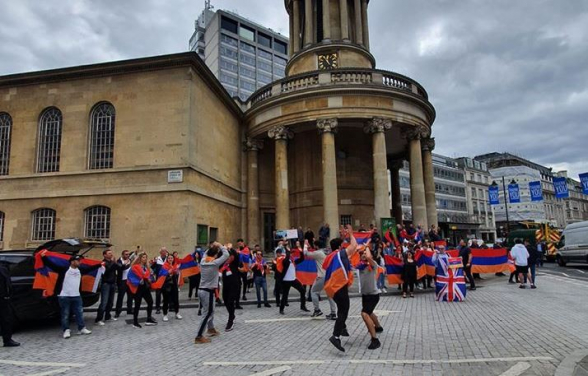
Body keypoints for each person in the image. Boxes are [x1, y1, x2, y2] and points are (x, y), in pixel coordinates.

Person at [40, 252, 100, 338]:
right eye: (78, 261)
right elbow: (52, 265)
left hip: (76, 295)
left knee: (79, 312)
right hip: (64, 295)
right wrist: (44, 257)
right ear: (72, 262)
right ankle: (66, 330)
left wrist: (99, 265)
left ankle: (82, 328)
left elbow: (90, 269)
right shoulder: (64, 269)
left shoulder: (80, 270)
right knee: (65, 314)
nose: (80, 262)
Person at [328, 225, 358, 352]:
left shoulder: (332, 255)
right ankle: (335, 336)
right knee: (344, 311)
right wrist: (351, 234)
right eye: (342, 244)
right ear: (340, 247)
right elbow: (354, 246)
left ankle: (343, 327)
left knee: (341, 308)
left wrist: (343, 236)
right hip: (339, 286)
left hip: (333, 288)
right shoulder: (340, 254)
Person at [195, 242, 230, 344]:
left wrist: (212, 247)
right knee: (207, 313)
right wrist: (220, 245)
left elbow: (206, 253)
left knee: (211, 310)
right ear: (215, 255)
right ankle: (199, 336)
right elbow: (226, 255)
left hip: (201, 289)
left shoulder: (203, 261)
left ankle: (210, 328)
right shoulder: (215, 263)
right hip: (208, 291)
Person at [357, 247, 382, 350]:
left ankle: (375, 340)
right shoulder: (360, 266)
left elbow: (368, 256)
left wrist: (367, 246)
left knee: (364, 313)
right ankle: (378, 327)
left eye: (365, 253)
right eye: (361, 253)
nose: (363, 255)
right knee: (370, 312)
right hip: (365, 294)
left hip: (373, 295)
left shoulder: (373, 265)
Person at [305, 240, 337, 319]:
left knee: (314, 292)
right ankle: (333, 313)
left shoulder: (318, 253)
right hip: (329, 275)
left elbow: (306, 253)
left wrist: (305, 245)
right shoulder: (327, 252)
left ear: (316, 246)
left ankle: (317, 310)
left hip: (321, 275)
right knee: (330, 294)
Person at [95, 249, 124, 325]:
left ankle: (108, 316)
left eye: (111, 253)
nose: (111, 254)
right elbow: (107, 271)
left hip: (112, 283)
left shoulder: (112, 262)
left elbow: (120, 268)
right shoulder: (103, 263)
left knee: (110, 302)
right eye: (109, 253)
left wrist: (123, 264)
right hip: (106, 284)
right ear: (104, 255)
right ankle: (98, 319)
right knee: (104, 302)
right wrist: (114, 263)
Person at [279, 242, 309, 314]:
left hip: (293, 279)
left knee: (302, 290)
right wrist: (287, 249)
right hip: (286, 280)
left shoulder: (293, 261)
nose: (291, 254)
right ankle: (281, 309)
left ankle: (303, 306)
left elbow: (302, 259)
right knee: (285, 295)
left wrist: (301, 251)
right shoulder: (284, 261)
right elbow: (286, 260)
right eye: (290, 253)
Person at [129, 252, 158, 328]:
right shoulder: (135, 266)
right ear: (140, 258)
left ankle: (148, 319)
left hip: (145, 287)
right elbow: (130, 276)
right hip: (138, 288)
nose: (145, 259)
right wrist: (138, 281)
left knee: (150, 302)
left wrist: (150, 279)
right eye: (143, 257)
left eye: (146, 257)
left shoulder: (146, 267)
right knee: (137, 305)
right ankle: (135, 322)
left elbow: (150, 276)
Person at [0, 262, 19, 347]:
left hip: (4, 298)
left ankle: (7, 339)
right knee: (6, 319)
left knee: (6, 319)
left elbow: (7, 283)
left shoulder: (3, 267)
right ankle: (7, 340)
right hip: (2, 297)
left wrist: (7, 295)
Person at [221, 246, 240, 331]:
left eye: (231, 256)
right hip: (226, 285)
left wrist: (230, 248)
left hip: (234, 285)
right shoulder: (224, 264)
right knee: (225, 301)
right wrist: (222, 249)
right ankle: (232, 315)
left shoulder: (235, 263)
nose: (229, 257)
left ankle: (230, 321)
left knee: (230, 301)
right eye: (228, 256)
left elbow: (235, 254)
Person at [161, 254, 182, 322]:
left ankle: (177, 313)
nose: (170, 259)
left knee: (176, 300)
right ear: (167, 259)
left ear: (173, 259)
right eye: (169, 258)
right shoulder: (164, 266)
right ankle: (165, 314)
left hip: (174, 285)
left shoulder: (175, 265)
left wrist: (177, 272)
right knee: (166, 300)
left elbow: (178, 275)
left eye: (171, 258)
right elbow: (163, 274)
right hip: (166, 285)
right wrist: (170, 271)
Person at [153, 247, 169, 314]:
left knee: (166, 294)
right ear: (160, 252)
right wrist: (153, 262)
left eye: (165, 251)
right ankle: (158, 308)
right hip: (159, 279)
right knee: (158, 294)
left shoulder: (168, 259)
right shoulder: (157, 259)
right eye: (163, 251)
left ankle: (166, 306)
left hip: (166, 279)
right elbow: (152, 268)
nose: (165, 252)